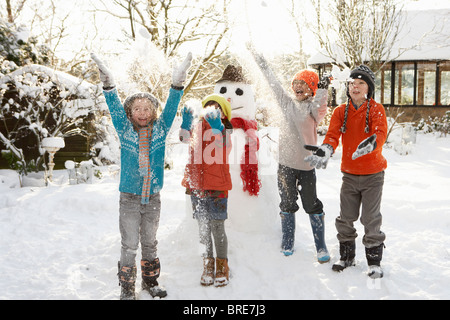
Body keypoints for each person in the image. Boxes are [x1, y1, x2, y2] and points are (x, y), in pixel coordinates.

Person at [91, 52, 192, 299]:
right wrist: (108, 84)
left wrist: (177, 84)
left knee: (150, 242)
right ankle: (127, 288)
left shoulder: (160, 130)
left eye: (147, 108)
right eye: (137, 108)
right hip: (129, 198)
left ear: (153, 112)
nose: (143, 112)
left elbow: (170, 107)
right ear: (130, 112)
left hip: (153, 199)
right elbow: (113, 105)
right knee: (128, 245)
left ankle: (150, 282)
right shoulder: (125, 130)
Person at [304, 64, 388, 279]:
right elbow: (332, 135)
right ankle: (347, 256)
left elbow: (380, 133)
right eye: (352, 83)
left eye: (360, 83)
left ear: (368, 87)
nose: (355, 86)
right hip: (349, 175)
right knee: (346, 217)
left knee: (370, 218)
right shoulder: (342, 111)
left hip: (372, 175)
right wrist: (326, 149)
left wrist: (372, 143)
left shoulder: (376, 109)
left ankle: (374, 262)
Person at [248, 45, 330, 262]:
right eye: (296, 83)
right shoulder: (286, 103)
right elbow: (273, 83)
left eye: (303, 84)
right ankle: (288, 240)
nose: (298, 87)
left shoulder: (313, 109)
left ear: (312, 89)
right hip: (285, 165)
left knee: (312, 204)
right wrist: (261, 62)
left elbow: (321, 109)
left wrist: (322, 90)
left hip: (306, 166)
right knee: (287, 203)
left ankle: (320, 246)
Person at [179, 94, 233, 287]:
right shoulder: (196, 127)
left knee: (217, 227)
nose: (211, 109)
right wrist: (185, 123)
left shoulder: (225, 130)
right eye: (208, 106)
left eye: (216, 108)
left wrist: (218, 128)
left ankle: (222, 265)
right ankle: (207, 264)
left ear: (223, 114)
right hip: (197, 187)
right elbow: (183, 139)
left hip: (217, 186)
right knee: (203, 228)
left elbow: (225, 149)